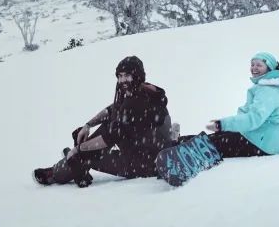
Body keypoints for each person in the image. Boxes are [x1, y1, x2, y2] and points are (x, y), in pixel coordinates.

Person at [33, 55, 174, 188]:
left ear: (137, 76)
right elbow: (113, 110)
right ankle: (71, 161)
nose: (123, 80)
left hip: (143, 164)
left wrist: (79, 150)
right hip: (145, 152)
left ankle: (55, 173)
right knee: (107, 127)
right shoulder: (142, 89)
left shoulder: (137, 102)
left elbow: (110, 137)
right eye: (120, 76)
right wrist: (88, 125)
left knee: (86, 157)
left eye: (127, 76)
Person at [184, 51, 279, 158]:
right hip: (269, 139)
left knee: (210, 145)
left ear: (269, 68)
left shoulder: (267, 91)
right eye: (252, 64)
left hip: (262, 143)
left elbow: (254, 119)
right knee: (219, 137)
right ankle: (179, 142)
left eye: (259, 65)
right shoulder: (275, 87)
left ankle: (177, 147)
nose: (254, 68)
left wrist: (222, 124)